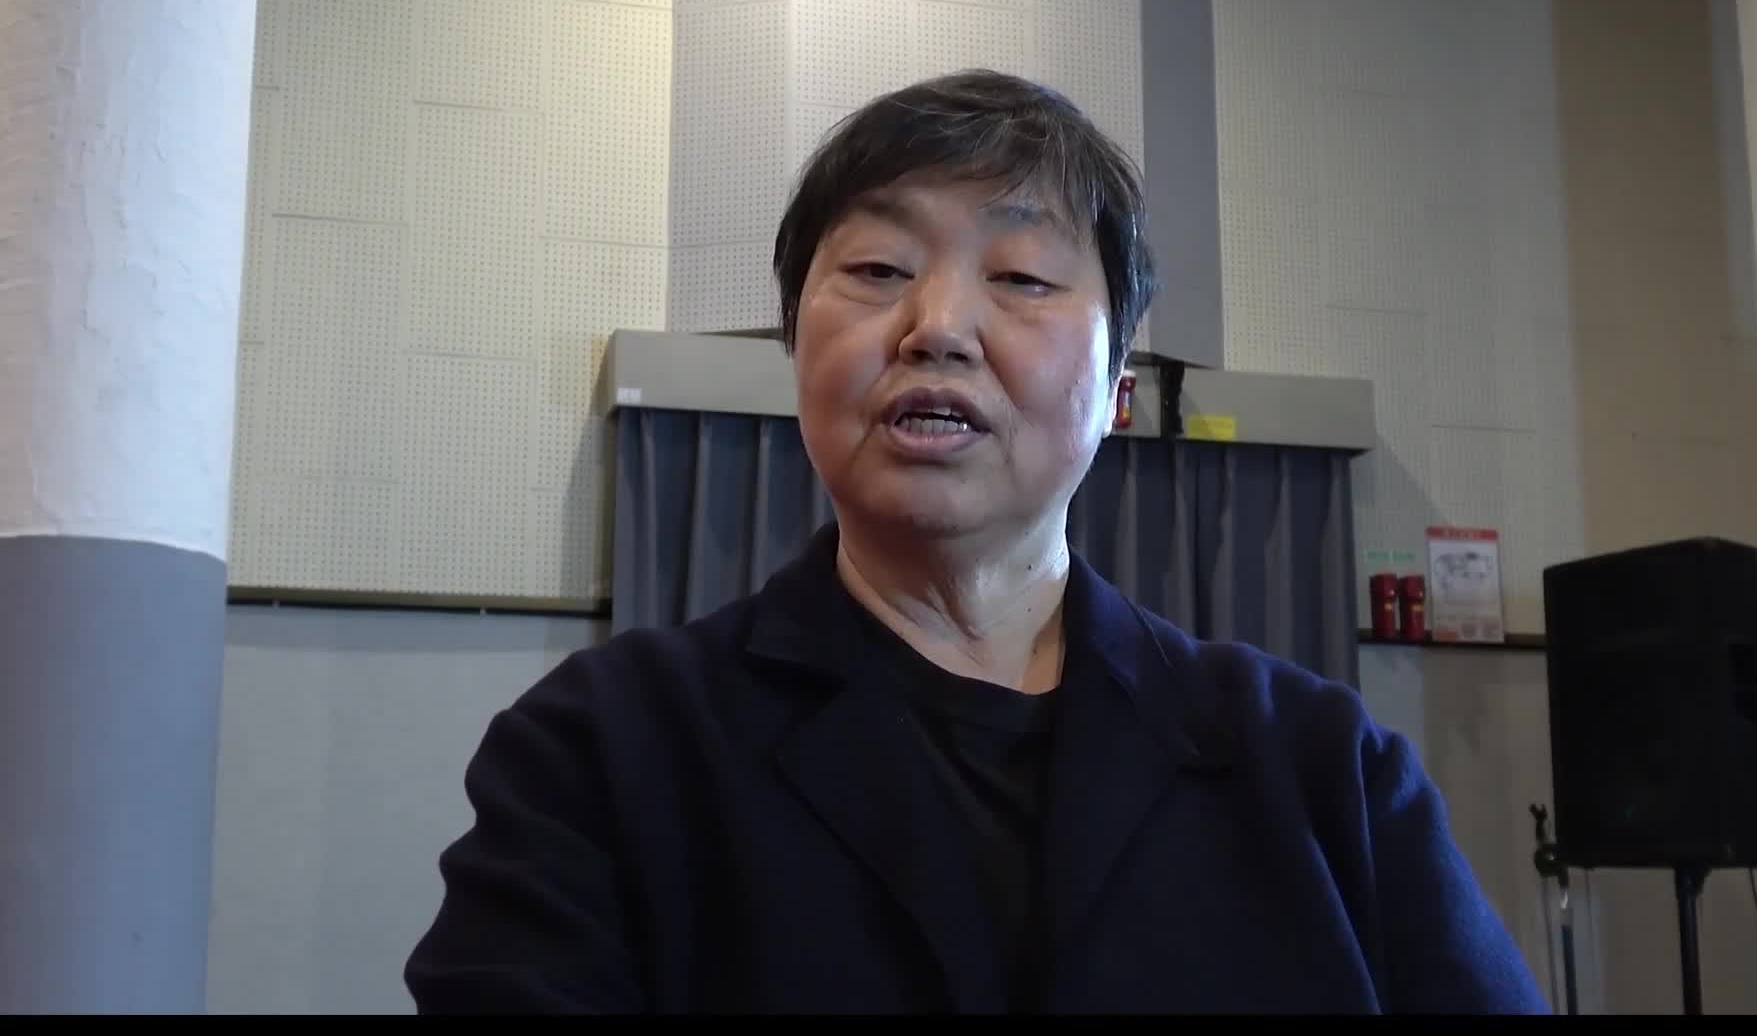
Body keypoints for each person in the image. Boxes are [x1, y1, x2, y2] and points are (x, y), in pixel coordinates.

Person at [402, 69, 1549, 1015]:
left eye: (1023, 278)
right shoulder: (605, 748)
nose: (937, 326)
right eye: (877, 270)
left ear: (1119, 388)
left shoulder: (1324, 770)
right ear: (797, 351)